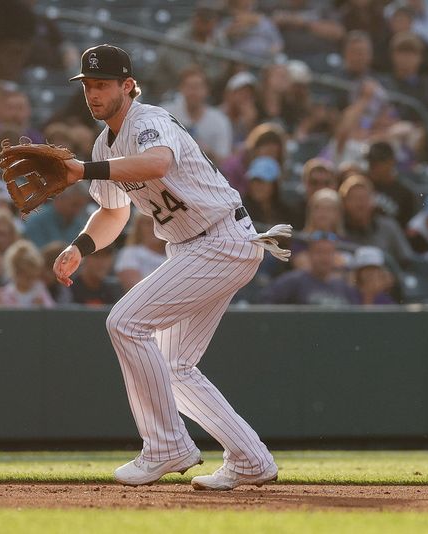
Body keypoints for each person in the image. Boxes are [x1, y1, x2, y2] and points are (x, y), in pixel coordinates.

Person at [52, 44, 291, 490]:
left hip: (220, 239)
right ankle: (251, 459)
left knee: (125, 323)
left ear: (128, 85)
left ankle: (166, 447)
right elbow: (114, 213)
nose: (93, 94)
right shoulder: (106, 142)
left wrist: (83, 170)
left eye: (103, 85)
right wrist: (81, 247)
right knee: (173, 366)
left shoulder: (149, 121)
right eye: (88, 85)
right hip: (196, 247)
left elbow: (158, 162)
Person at [149, 0, 231, 99]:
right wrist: (208, 75)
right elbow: (184, 72)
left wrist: (208, 76)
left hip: (202, 93)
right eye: (201, 19)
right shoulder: (176, 37)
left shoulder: (218, 38)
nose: (204, 24)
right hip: (165, 91)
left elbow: (222, 68)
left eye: (209, 20)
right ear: (195, 18)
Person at [161, 66, 233, 164]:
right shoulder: (165, 113)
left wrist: (208, 152)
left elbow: (225, 161)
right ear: (181, 88)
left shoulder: (220, 121)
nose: (193, 92)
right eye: (189, 86)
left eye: (198, 87)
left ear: (207, 90)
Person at [260, 231, 354, 305]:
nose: (324, 258)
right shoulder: (293, 281)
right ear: (309, 254)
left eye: (328, 253)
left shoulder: (342, 287)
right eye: (319, 252)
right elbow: (266, 303)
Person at [339, 174, 414, 267]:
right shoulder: (337, 229)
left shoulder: (389, 226)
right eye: (354, 199)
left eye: (364, 198)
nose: (360, 204)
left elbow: (406, 259)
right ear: (343, 203)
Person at [0, 239, 54, 308]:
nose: (31, 280)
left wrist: (43, 307)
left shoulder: (39, 290)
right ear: (16, 273)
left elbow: (52, 311)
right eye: (27, 277)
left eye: (34, 276)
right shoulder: (5, 294)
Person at [366, 141, 417, 227]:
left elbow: (405, 229)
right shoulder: (361, 184)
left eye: (378, 163)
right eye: (371, 163)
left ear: (391, 162)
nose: (373, 167)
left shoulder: (405, 193)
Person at [23, 183, 90, 248]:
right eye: (75, 205)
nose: (78, 211)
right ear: (60, 198)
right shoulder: (36, 222)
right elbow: (37, 256)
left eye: (82, 207)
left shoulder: (81, 224)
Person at [115, 211, 167, 293]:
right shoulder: (130, 253)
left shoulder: (175, 254)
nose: (154, 228)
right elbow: (135, 288)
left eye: (158, 223)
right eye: (148, 223)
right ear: (139, 227)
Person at [241, 155, 294, 230]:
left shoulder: (285, 211)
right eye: (253, 181)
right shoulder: (240, 210)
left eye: (262, 181)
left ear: (274, 185)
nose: (256, 186)